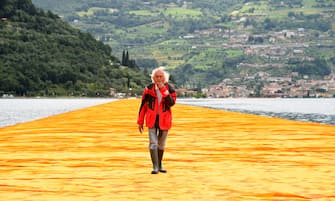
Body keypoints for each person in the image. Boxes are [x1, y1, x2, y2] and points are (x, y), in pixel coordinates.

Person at [137, 67, 177, 174]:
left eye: (161, 76)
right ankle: (155, 166)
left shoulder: (170, 88)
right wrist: (140, 121)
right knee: (153, 143)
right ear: (153, 78)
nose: (159, 79)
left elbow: (171, 103)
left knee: (161, 144)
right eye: (157, 76)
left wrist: (163, 89)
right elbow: (143, 106)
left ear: (165, 78)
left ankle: (160, 165)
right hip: (151, 120)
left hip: (165, 120)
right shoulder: (148, 89)